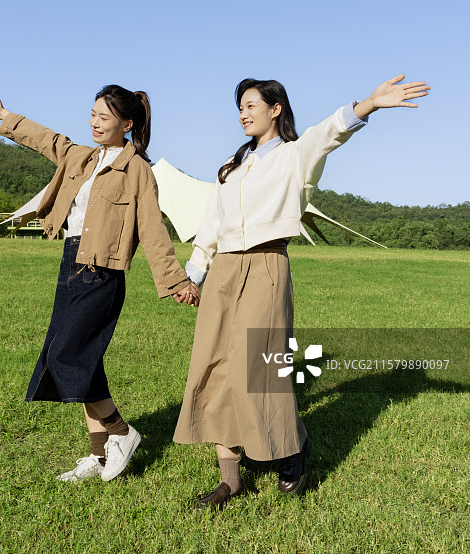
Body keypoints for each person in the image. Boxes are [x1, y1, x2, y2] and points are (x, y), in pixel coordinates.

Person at [173, 74, 430, 509]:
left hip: (266, 266)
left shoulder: (294, 156)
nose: (243, 112)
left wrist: (369, 104)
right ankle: (230, 479)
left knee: (259, 368)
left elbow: (329, 132)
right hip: (223, 273)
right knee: (214, 366)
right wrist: (194, 274)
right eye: (240, 106)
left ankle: (292, 448)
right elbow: (212, 227)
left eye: (252, 104)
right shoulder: (231, 169)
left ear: (275, 109)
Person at [0, 87, 199, 483]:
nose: (94, 122)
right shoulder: (81, 157)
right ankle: (99, 456)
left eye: (104, 117)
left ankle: (122, 431)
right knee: (85, 358)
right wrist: (7, 117)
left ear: (127, 123)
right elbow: (48, 140)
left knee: (67, 355)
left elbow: (152, 230)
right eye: (92, 114)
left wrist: (176, 280)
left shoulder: (137, 170)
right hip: (70, 265)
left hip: (102, 274)